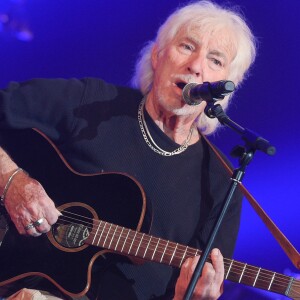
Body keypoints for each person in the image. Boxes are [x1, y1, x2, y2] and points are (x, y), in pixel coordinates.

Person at [0, 0, 256, 299]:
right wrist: (10, 180)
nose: (196, 66)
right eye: (187, 47)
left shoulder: (221, 183)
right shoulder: (92, 104)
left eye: (215, 60)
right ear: (157, 56)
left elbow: (200, 284)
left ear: (227, 86)